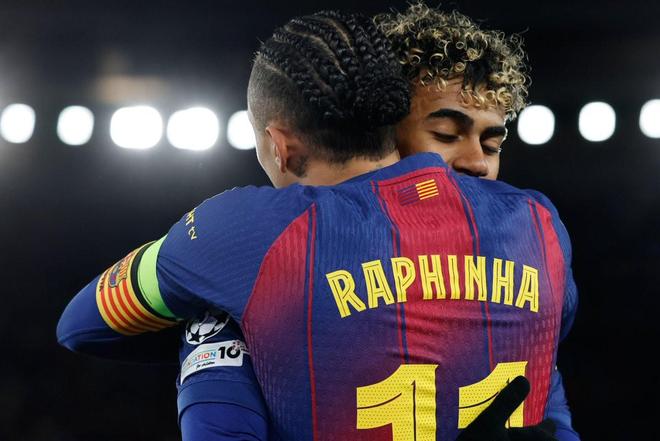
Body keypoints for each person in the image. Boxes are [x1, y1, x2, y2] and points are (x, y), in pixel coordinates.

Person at [57, 8, 575, 441]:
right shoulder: (539, 225)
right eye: (444, 134)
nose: (476, 164)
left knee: (211, 325)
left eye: (492, 143)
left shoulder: (247, 231)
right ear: (388, 123)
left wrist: (234, 334)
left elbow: (80, 326)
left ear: (279, 145)